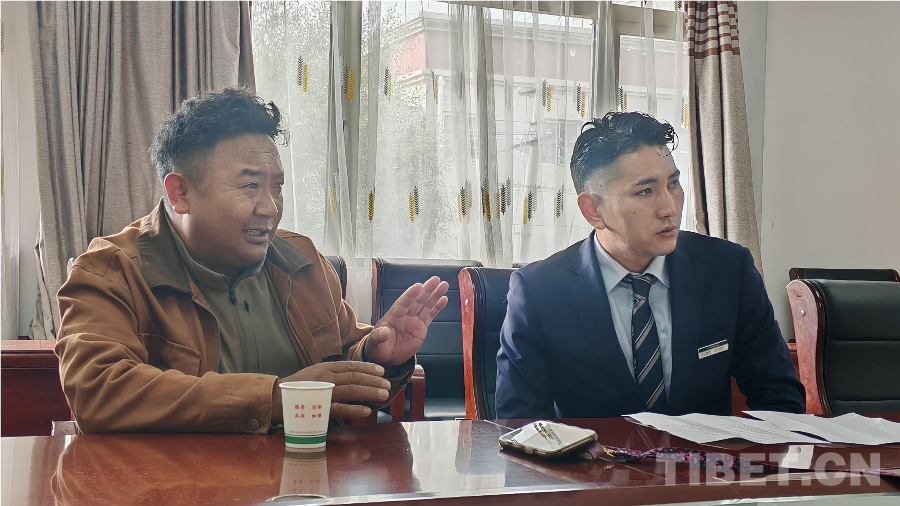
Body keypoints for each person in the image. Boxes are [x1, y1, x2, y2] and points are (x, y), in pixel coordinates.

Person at [55, 88, 449, 434]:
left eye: (276, 186)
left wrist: (375, 356)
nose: (271, 208)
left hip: (305, 479)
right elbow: (98, 391)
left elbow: (339, 367)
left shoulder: (303, 261)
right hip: (177, 484)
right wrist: (274, 398)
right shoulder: (110, 271)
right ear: (180, 193)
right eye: (249, 185)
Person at [495, 111, 804, 419]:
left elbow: (780, 398)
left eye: (673, 184)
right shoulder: (539, 291)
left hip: (704, 453)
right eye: (645, 191)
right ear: (593, 210)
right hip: (591, 453)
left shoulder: (728, 269)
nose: (669, 208)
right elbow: (520, 423)